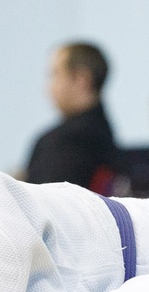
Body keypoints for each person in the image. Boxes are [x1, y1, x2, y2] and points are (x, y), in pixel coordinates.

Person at [25, 42, 120, 189]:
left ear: (81, 79)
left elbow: (46, 199)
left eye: (54, 74)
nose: (49, 87)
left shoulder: (64, 140)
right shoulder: (103, 132)